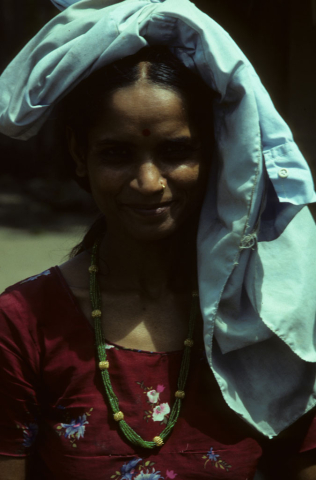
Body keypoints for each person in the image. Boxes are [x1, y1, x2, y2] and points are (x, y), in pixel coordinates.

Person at [0, 1, 316, 479]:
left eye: (175, 151)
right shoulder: (24, 325)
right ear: (79, 155)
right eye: (117, 154)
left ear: (215, 155)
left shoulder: (269, 317)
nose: (148, 182)